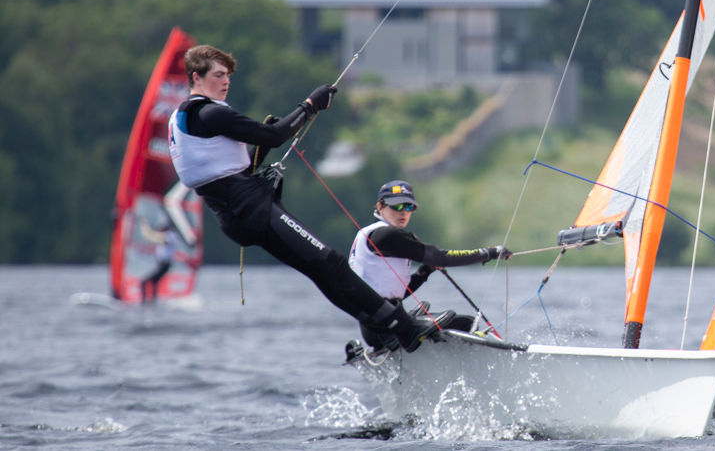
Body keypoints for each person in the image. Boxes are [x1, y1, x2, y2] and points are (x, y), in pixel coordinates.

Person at [167, 44, 448, 352]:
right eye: (218, 75)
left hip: (238, 213)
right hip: (251, 208)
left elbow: (234, 165)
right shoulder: (208, 113)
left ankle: (386, 327)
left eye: (228, 75)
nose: (226, 81)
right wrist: (310, 104)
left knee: (322, 269)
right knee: (331, 263)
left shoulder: (184, 119)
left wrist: (265, 145)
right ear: (197, 77)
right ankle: (402, 328)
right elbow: (273, 135)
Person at [348, 179, 512, 350]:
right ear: (380, 206)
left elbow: (393, 293)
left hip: (379, 328)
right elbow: (439, 257)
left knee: (462, 322)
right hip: (387, 329)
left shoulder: (369, 234)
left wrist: (423, 272)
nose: (403, 212)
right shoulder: (385, 235)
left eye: (409, 207)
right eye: (397, 206)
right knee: (466, 325)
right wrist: (489, 253)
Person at [139, 220, 181, 304]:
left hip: (164, 265)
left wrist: (144, 226)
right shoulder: (171, 235)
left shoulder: (170, 236)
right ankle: (153, 301)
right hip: (163, 265)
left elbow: (151, 236)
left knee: (143, 282)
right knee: (154, 282)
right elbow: (152, 236)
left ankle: (144, 303)